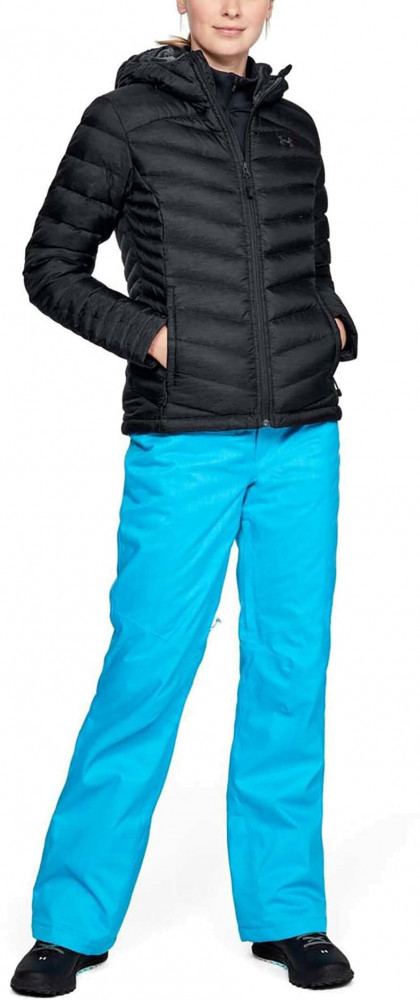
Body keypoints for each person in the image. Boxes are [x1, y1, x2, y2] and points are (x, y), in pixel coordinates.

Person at [11, 1, 359, 994]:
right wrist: (157, 340)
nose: (233, 7)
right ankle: (72, 921)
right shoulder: (123, 117)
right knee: (148, 668)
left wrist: (335, 327)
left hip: (304, 440)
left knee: (291, 671)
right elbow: (50, 268)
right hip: (185, 441)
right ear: (182, 0)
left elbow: (310, 265)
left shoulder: (294, 126)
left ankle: (288, 912)